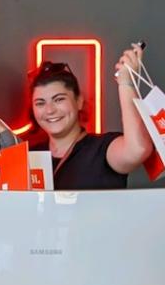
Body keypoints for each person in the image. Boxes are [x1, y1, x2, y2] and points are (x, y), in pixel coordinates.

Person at [27, 43, 152, 189]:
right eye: (40, 103)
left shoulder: (101, 149)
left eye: (59, 99)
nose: (49, 110)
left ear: (79, 101)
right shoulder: (29, 156)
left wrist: (126, 83)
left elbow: (137, 150)